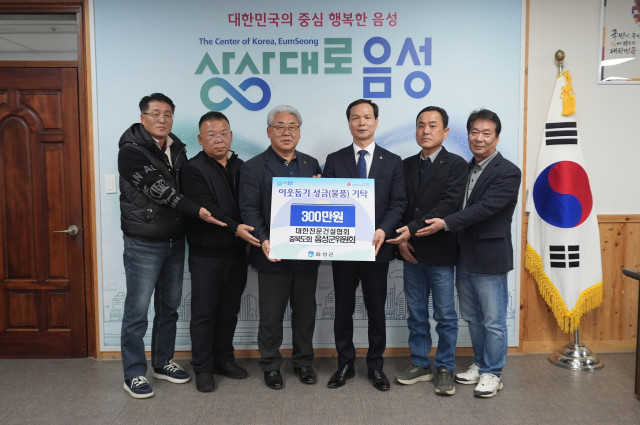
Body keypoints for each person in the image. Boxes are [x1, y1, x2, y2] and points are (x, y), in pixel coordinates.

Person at [118, 93, 225, 399]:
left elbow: (187, 184)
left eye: (167, 114)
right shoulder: (131, 151)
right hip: (143, 241)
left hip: (175, 240)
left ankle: (162, 361)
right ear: (143, 118)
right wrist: (198, 210)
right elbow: (159, 189)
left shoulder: (176, 148)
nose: (162, 119)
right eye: (155, 114)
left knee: (169, 308)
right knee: (137, 311)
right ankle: (134, 373)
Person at [417, 109, 521, 398]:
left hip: (490, 256)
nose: (479, 138)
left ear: (496, 137)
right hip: (463, 254)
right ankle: (481, 363)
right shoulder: (465, 168)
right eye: (474, 132)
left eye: (486, 133)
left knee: (493, 320)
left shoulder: (507, 171)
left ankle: (493, 372)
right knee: (473, 317)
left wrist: (445, 223)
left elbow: (485, 208)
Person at [323, 99, 407, 392]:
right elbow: (327, 200)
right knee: (343, 309)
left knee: (376, 310)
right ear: (349, 123)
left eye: (367, 117)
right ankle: (344, 363)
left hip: (377, 248)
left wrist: (383, 229)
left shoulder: (392, 161)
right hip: (343, 249)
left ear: (376, 122)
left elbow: (398, 202)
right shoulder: (334, 159)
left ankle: (376, 366)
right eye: (355, 117)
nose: (361, 122)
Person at [239, 105, 322, 390]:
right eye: (280, 127)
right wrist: (264, 239)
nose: (287, 132)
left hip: (306, 256)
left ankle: (303, 362)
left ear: (299, 132)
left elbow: (319, 207)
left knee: (305, 313)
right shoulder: (253, 167)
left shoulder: (312, 164)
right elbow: (249, 209)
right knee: (271, 316)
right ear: (269, 131)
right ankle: (271, 365)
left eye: (292, 127)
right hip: (271, 255)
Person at [387, 106, 468, 396]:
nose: (426, 131)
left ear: (445, 131)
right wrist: (402, 239)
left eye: (433, 126)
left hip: (441, 252)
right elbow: (398, 203)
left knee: (445, 315)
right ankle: (420, 363)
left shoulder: (457, 165)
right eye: (421, 125)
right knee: (416, 313)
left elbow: (449, 203)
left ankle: (445, 367)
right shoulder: (405, 165)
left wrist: (410, 229)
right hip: (411, 252)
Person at [180, 111, 261, 392]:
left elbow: (256, 201)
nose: (218, 139)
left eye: (223, 133)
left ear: (231, 136)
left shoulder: (243, 167)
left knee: (229, 311)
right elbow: (208, 209)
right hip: (206, 254)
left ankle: (224, 360)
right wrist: (237, 228)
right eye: (211, 135)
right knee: (204, 313)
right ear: (200, 139)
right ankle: (203, 367)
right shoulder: (192, 169)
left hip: (237, 252)